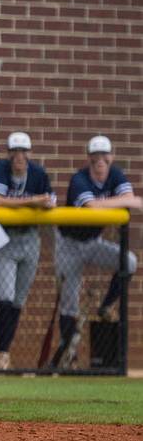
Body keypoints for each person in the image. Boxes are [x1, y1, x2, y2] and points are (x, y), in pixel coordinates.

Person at [53, 135, 140, 368]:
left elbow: (130, 200)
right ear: (89, 158)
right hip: (68, 244)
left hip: (93, 242)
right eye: (95, 157)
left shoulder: (116, 175)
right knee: (70, 303)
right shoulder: (79, 179)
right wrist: (121, 200)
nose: (100, 161)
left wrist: (125, 200)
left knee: (129, 262)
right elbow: (91, 206)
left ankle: (105, 306)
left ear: (112, 157)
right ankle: (69, 356)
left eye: (104, 156)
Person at [0, 132, 55, 370]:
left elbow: (50, 200)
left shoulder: (38, 173)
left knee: (17, 301)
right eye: (15, 151)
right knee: (4, 296)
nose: (20, 157)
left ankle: (5, 352)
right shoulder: (1, 169)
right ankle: (2, 352)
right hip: (5, 238)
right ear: (9, 153)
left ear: (29, 153)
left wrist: (42, 202)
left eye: (24, 151)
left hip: (30, 238)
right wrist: (31, 201)